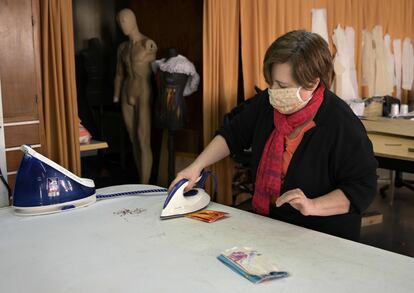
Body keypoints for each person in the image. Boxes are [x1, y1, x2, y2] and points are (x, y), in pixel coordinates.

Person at [169, 30, 378, 241]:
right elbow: (233, 134)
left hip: (324, 235)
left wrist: (313, 205)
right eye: (272, 83)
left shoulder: (341, 124)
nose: (273, 91)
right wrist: (196, 166)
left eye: (283, 86)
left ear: (313, 83)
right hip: (273, 226)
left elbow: (362, 187)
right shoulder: (268, 104)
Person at [114, 8, 157, 184]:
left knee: (142, 139)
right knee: (133, 140)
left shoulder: (147, 44)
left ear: (133, 20)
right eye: (119, 22)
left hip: (143, 93)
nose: (121, 24)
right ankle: (141, 180)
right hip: (126, 93)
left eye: (124, 20)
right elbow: (119, 74)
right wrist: (116, 95)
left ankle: (145, 184)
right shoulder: (122, 48)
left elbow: (157, 65)